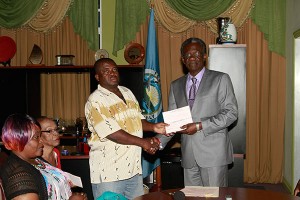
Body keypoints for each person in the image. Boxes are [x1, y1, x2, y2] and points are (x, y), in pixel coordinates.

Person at [158, 37, 238, 187]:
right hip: (188, 155)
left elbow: (231, 113)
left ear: (205, 56)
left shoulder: (220, 79)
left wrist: (200, 125)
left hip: (213, 155)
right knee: (192, 197)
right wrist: (156, 143)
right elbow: (173, 123)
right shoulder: (176, 85)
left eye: (196, 54)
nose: (192, 58)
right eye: (187, 55)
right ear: (183, 59)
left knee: (214, 197)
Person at [85, 58, 168, 199]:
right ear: (97, 77)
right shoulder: (95, 100)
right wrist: (144, 143)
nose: (112, 73)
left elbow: (137, 119)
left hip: (133, 171)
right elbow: (113, 133)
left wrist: (155, 127)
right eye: (106, 71)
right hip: (109, 174)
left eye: (114, 70)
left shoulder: (127, 92)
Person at [0, 113, 87, 200]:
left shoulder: (34, 159)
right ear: (19, 140)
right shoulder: (19, 177)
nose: (41, 141)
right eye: (36, 137)